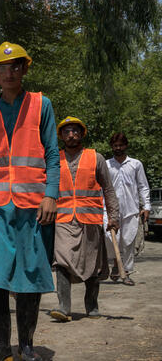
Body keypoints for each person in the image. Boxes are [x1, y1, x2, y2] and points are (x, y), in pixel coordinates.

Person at [0, 42, 60, 361]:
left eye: (16, 66)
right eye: (2, 68)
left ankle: (26, 345)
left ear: (24, 69)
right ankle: (0, 345)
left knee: (29, 271)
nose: (9, 72)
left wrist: (51, 195)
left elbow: (52, 152)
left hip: (34, 204)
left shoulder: (41, 105)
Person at [50, 116, 120, 322]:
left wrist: (114, 217)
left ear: (81, 134)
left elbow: (108, 188)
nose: (71, 134)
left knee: (93, 264)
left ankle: (92, 305)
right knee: (61, 260)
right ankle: (64, 307)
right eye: (67, 131)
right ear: (61, 135)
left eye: (75, 131)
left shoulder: (95, 157)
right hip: (62, 218)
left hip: (89, 219)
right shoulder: (54, 159)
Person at [104, 132, 151, 286]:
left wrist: (147, 206)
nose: (118, 148)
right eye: (115, 146)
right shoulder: (106, 165)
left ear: (126, 146)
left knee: (128, 241)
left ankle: (127, 272)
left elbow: (143, 186)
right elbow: (101, 188)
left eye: (121, 145)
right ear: (111, 147)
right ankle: (116, 265)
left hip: (131, 209)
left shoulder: (135, 164)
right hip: (110, 209)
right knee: (111, 239)